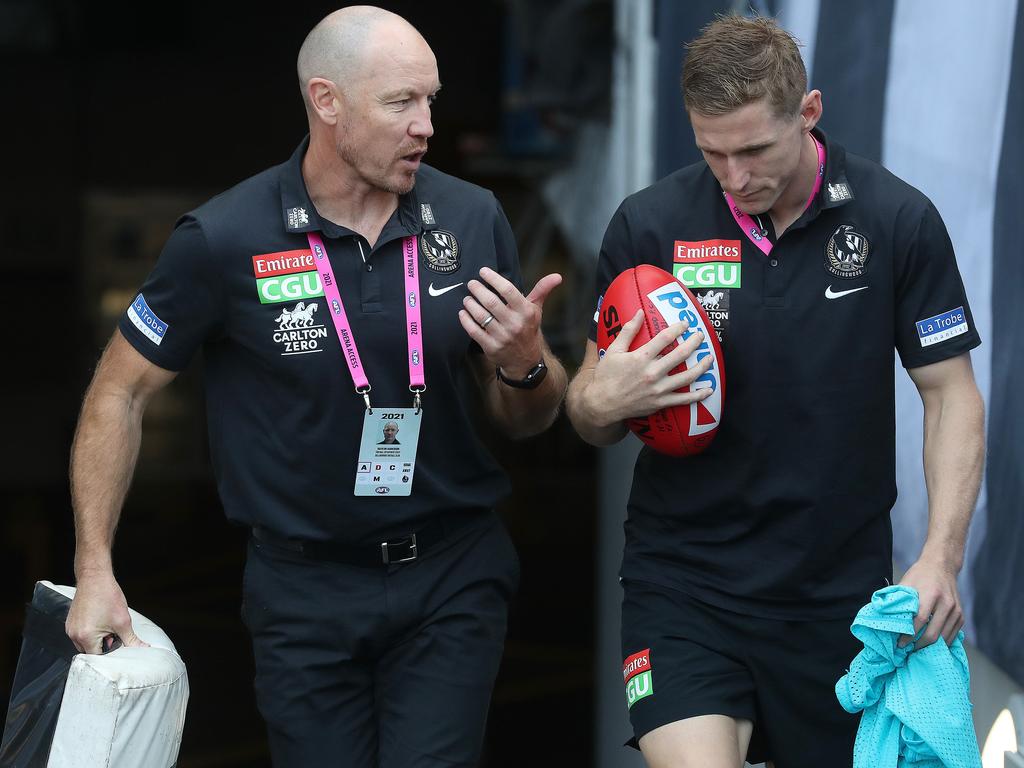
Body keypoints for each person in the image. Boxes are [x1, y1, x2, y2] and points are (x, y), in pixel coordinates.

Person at [65, 7, 567, 766]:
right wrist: (93, 570)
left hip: (450, 571)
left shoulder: (470, 217)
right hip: (301, 589)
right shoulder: (224, 237)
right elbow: (119, 393)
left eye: (430, 99)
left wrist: (525, 364)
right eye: (401, 102)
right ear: (327, 101)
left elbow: (526, 418)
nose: (426, 125)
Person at [566, 14, 984, 768]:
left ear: (810, 112)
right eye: (711, 152)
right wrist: (599, 400)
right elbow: (590, 411)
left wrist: (941, 558)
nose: (734, 177)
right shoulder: (651, 223)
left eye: (754, 149)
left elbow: (950, 393)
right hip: (683, 582)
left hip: (836, 598)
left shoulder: (895, 219)